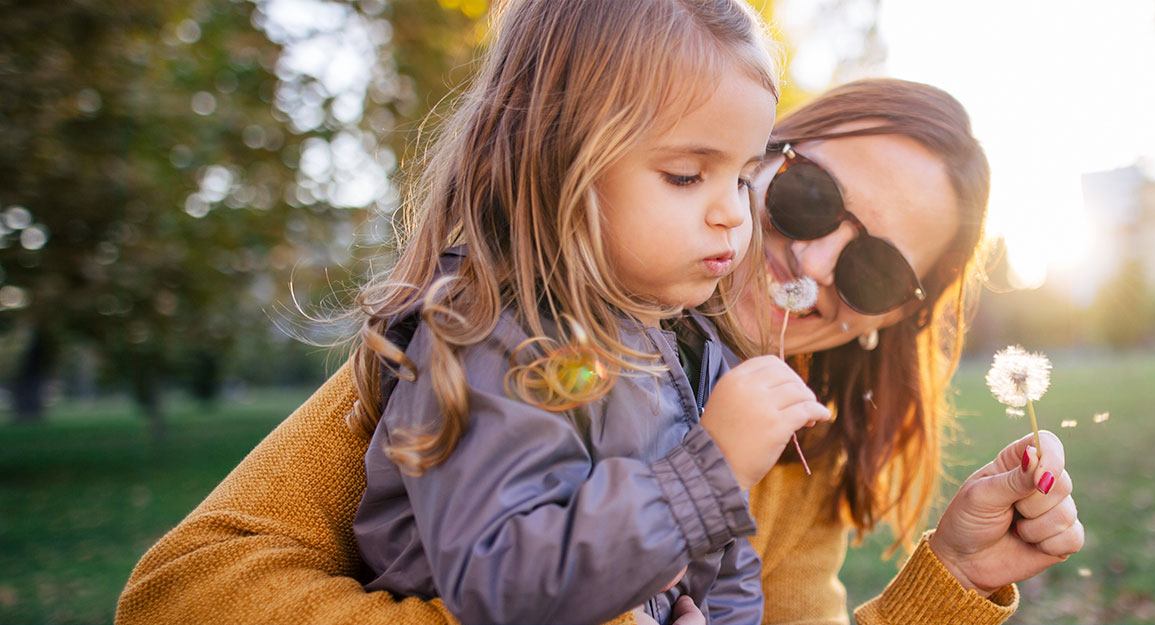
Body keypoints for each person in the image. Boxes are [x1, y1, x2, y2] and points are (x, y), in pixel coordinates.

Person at [116, 79, 1084, 625]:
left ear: (889, 320)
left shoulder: (804, 457)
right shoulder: (515, 332)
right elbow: (180, 595)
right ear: (746, 157)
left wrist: (950, 577)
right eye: (812, 197)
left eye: (874, 270)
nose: (814, 257)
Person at [294, 0, 823, 623]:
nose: (733, 213)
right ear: (553, 160)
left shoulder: (698, 352)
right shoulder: (493, 339)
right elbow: (500, 582)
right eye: (685, 175)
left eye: (741, 177)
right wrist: (708, 476)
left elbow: (727, 565)